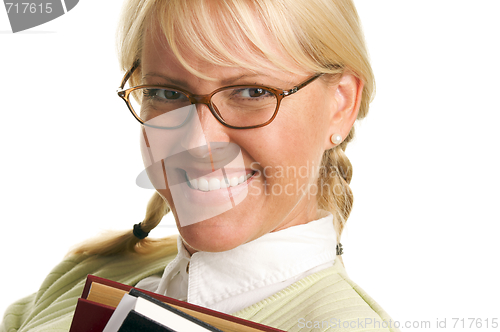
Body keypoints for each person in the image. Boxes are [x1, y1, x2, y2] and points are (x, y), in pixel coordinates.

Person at [1, 0, 399, 331]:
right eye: (167, 92)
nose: (197, 143)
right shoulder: (84, 276)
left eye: (252, 92)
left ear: (341, 104)